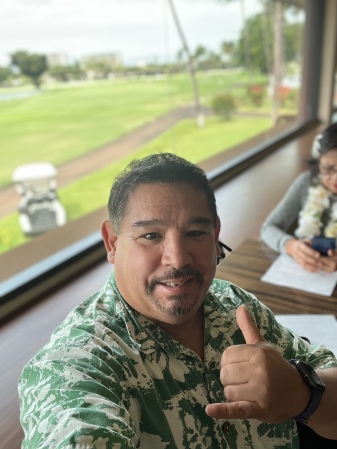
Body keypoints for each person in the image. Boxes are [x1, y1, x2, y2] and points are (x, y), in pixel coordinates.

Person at [19, 153, 337, 449]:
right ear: (112, 242)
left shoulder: (238, 307)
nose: (178, 258)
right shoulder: (75, 365)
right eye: (151, 235)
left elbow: (328, 371)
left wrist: (303, 392)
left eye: (195, 233)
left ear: (215, 239)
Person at [261, 122, 337, 272]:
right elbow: (268, 228)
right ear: (318, 164)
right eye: (329, 169)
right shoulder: (306, 182)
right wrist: (292, 246)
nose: (336, 178)